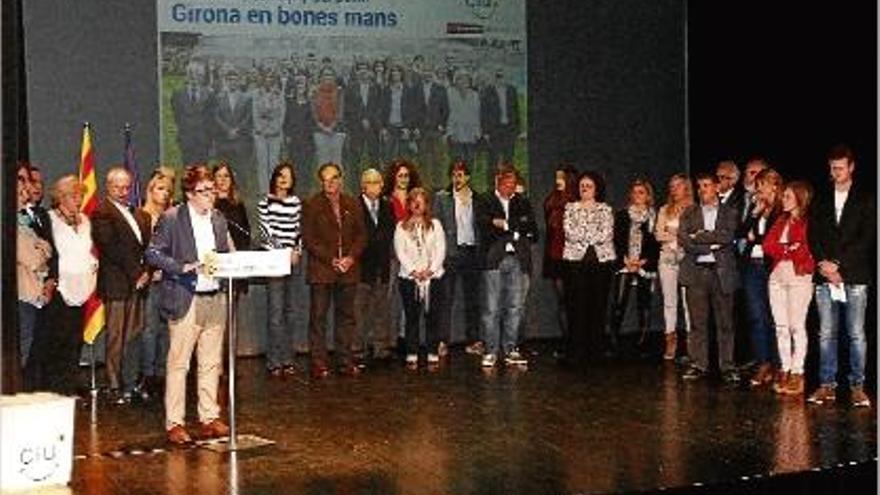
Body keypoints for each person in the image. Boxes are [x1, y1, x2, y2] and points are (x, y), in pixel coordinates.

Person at [145, 164, 232, 445]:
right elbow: (153, 254)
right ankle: (175, 422)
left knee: (210, 362)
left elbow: (224, 253)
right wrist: (183, 267)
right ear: (189, 193)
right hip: (186, 297)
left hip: (214, 296)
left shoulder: (219, 219)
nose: (210, 196)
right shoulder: (172, 218)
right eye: (203, 191)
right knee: (179, 363)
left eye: (212, 190)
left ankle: (209, 416)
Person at [807, 145, 876, 407]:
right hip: (825, 277)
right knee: (826, 333)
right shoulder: (821, 199)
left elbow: (866, 238)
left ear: (851, 167)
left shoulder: (866, 198)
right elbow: (813, 235)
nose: (834, 172)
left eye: (839, 168)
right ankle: (827, 385)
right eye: (831, 168)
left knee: (856, 333)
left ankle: (857, 386)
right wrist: (825, 265)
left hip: (854, 275)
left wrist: (838, 265)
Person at [91, 166, 152, 403]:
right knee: (116, 335)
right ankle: (114, 384)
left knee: (134, 335)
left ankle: (130, 381)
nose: (123, 191)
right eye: (118, 187)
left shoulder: (140, 214)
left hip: (138, 282)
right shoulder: (102, 212)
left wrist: (146, 271)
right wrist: (137, 272)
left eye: (127, 187)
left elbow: (147, 249)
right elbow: (111, 248)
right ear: (108, 187)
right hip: (117, 283)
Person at [302, 163, 367, 378]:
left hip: (349, 270)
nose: (329, 183)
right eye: (325, 179)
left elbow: (361, 235)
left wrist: (350, 258)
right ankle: (318, 362)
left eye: (333, 178)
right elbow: (309, 239)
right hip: (322, 270)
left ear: (341, 179)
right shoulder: (312, 204)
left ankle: (344, 360)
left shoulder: (352, 203)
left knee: (346, 317)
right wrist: (331, 259)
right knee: (318, 318)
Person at [37, 176, 98, 394]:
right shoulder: (50, 219)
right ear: (61, 198)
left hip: (82, 287)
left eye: (80, 195)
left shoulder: (85, 221)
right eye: (74, 196)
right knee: (57, 339)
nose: (79, 200)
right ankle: (54, 388)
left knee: (74, 339)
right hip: (60, 288)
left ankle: (69, 384)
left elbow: (86, 250)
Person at [678, 173, 740, 383]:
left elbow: (727, 236)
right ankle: (699, 364)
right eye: (699, 186)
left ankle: (728, 365)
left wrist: (701, 236)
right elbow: (685, 240)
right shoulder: (689, 212)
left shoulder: (729, 211)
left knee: (725, 323)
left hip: (721, 272)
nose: (702, 189)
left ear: (716, 187)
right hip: (697, 271)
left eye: (706, 185)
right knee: (698, 322)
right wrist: (710, 243)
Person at [478, 165, 537, 368]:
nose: (510, 188)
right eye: (506, 184)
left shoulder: (522, 202)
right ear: (498, 182)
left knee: (515, 306)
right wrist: (514, 228)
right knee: (491, 308)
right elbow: (484, 227)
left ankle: (511, 348)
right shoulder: (485, 201)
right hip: (494, 259)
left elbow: (531, 228)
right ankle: (491, 350)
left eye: (513, 185)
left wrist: (504, 224)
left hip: (518, 259)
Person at [763, 181, 815, 397]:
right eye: (783, 196)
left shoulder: (807, 222)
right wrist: (788, 249)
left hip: (799, 277)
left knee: (796, 326)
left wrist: (788, 249)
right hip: (777, 277)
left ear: (800, 199)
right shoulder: (780, 220)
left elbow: (805, 249)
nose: (783, 200)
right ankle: (784, 367)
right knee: (781, 326)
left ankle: (797, 371)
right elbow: (767, 245)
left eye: (787, 196)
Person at [562, 170, 615, 363]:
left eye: (589, 185)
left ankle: (596, 351)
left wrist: (586, 235)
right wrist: (591, 235)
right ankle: (577, 351)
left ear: (596, 189)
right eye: (582, 185)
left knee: (598, 305)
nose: (584, 188)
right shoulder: (570, 208)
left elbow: (606, 234)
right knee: (577, 306)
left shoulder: (606, 209)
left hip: (601, 263)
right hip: (576, 263)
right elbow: (570, 232)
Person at [257, 162, 305, 377]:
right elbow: (265, 232)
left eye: (288, 176)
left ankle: (288, 359)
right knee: (275, 313)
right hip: (274, 260)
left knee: (290, 312)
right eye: (280, 175)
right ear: (274, 178)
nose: (284, 179)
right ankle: (274, 361)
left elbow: (299, 230)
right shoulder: (264, 202)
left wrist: (296, 250)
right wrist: (282, 253)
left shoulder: (296, 203)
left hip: (293, 260)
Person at [738, 169, 783, 388]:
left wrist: (756, 238)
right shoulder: (758, 208)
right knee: (757, 317)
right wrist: (755, 213)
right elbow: (742, 231)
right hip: (752, 267)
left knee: (775, 317)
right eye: (757, 185)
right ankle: (763, 362)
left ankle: (778, 364)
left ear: (774, 185)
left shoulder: (782, 209)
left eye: (762, 184)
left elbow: (773, 240)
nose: (758, 189)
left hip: (772, 267)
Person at [433, 160, 483, 355]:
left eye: (461, 174)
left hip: (471, 252)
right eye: (454, 175)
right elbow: (436, 226)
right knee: (446, 298)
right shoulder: (442, 197)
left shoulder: (477, 198)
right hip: (451, 253)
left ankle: (473, 340)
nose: (457, 178)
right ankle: (442, 340)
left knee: (473, 299)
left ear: (468, 177)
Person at [394, 188, 447, 367]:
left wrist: (430, 271)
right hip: (409, 279)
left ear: (426, 204)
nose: (417, 205)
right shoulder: (401, 227)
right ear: (409, 204)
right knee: (412, 316)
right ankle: (412, 351)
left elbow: (441, 249)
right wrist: (414, 272)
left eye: (421, 201)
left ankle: (432, 350)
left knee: (433, 315)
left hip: (433, 277)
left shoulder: (436, 225)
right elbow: (400, 252)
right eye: (413, 201)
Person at [609, 179, 660, 356]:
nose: (638, 195)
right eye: (635, 192)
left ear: (648, 196)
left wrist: (643, 261)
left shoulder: (655, 216)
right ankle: (613, 339)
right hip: (625, 262)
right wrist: (625, 260)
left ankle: (643, 341)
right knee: (619, 301)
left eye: (642, 192)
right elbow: (616, 240)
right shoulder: (623, 214)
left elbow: (656, 244)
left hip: (645, 264)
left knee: (644, 303)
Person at [138, 169, 175, 399]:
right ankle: (148, 375)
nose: (164, 194)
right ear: (151, 191)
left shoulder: (172, 216)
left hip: (171, 279)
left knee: (167, 329)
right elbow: (141, 250)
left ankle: (163, 373)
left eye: (167, 190)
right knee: (150, 328)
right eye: (160, 189)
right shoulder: (143, 216)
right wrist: (151, 270)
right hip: (152, 280)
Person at [16, 164, 53, 384]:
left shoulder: (27, 218)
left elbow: (48, 250)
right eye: (22, 181)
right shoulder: (11, 220)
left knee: (34, 349)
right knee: (24, 348)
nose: (27, 187)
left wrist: (43, 250)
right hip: (23, 293)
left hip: (35, 293)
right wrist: (43, 250)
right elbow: (32, 258)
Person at [356, 168, 397, 361]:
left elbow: (390, 235)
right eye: (370, 182)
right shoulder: (354, 206)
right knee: (359, 312)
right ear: (363, 186)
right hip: (361, 268)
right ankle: (358, 350)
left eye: (378, 182)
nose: (375, 186)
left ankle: (381, 348)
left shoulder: (388, 206)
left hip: (382, 266)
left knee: (382, 309)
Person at [654, 173, 693, 360]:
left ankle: (691, 343)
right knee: (670, 302)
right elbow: (658, 235)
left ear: (686, 187)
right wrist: (676, 235)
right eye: (672, 186)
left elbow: (694, 235)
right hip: (667, 259)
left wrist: (674, 232)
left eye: (678, 185)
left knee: (688, 302)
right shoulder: (664, 210)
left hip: (686, 259)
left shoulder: (693, 209)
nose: (674, 189)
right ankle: (670, 340)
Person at [543, 165, 578, 358]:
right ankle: (567, 341)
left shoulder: (575, 201)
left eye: (561, 177)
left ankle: (576, 340)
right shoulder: (552, 199)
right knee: (562, 301)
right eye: (556, 177)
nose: (557, 181)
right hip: (555, 255)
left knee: (573, 300)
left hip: (572, 257)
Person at [480, 67, 520, 174]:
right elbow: (484, 113)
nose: (500, 79)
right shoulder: (488, 91)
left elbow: (516, 110)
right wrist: (485, 132)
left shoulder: (512, 90)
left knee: (509, 158)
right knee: (493, 159)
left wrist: (517, 130)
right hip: (494, 130)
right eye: (497, 76)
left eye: (502, 76)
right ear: (494, 77)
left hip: (509, 129)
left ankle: (507, 187)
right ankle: (492, 187)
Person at [253, 72, 286, 195]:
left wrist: (274, 129)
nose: (269, 79)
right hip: (260, 133)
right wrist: (261, 129)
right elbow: (255, 114)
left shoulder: (279, 94)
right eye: (267, 77)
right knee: (262, 162)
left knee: (273, 162)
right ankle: (263, 190)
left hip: (275, 133)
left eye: (271, 77)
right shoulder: (257, 94)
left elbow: (282, 115)